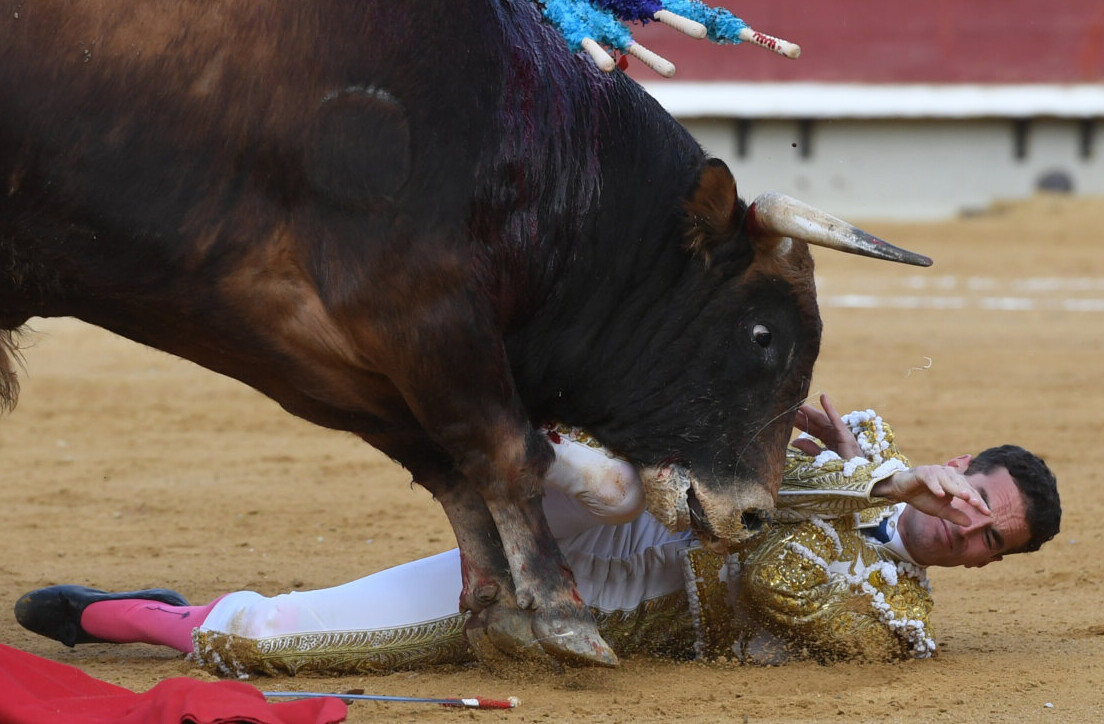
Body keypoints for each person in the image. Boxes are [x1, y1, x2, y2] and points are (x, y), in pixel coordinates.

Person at [15, 395, 1061, 675]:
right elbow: (701, 447)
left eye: (986, 545)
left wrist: (861, 472)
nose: (964, 533)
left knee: (280, 642)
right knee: (614, 473)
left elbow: (778, 569)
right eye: (976, 503)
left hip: (600, 600)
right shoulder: (862, 436)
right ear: (962, 469)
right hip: (608, 513)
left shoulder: (900, 622)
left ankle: (131, 615)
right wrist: (782, 418)